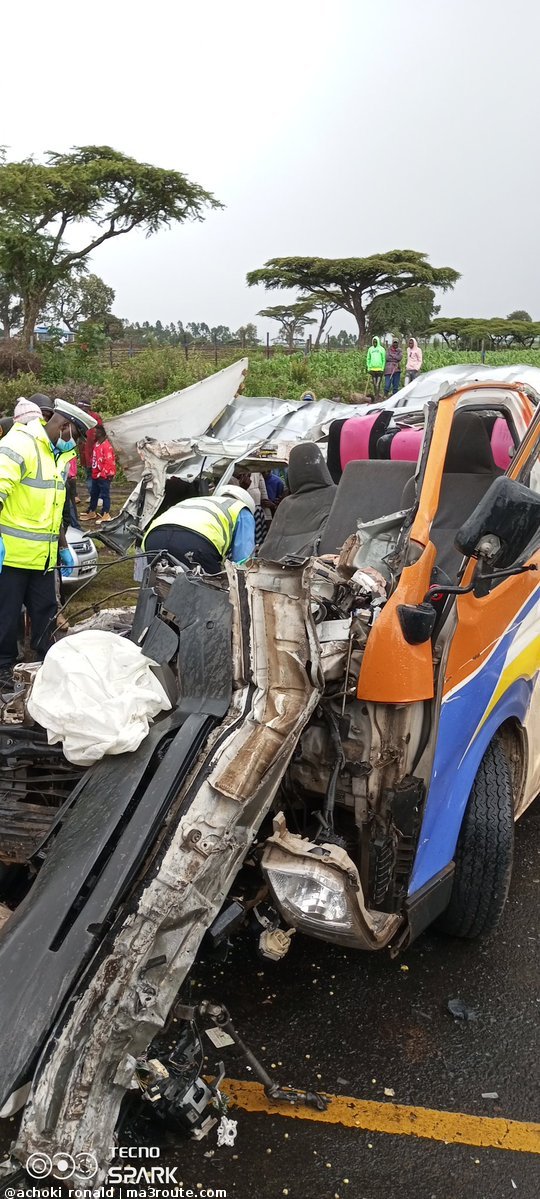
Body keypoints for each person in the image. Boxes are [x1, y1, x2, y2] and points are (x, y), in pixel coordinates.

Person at [0, 400, 97, 683]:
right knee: (6, 619)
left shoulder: (56, 455)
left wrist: (62, 547)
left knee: (46, 615)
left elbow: (53, 509)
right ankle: (4, 672)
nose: (75, 444)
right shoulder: (20, 444)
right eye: (75, 436)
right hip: (11, 557)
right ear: (64, 426)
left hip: (43, 558)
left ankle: (47, 667)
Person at [142, 484, 256, 574]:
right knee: (210, 589)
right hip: (195, 542)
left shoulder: (200, 501)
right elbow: (243, 559)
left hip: (154, 537)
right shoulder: (242, 510)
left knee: (158, 586)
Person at [81, 426, 116, 523]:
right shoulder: (97, 444)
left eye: (96, 432)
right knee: (94, 493)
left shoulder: (106, 446)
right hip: (96, 474)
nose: (94, 434)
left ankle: (106, 513)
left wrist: (103, 474)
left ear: (100, 433)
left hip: (104, 475)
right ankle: (92, 511)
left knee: (105, 494)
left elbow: (109, 462)